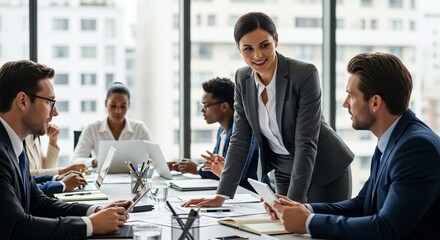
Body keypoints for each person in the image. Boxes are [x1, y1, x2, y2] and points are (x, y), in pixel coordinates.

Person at [182, 12, 353, 208]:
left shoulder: (304, 74)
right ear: (239, 49)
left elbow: (306, 142)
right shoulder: (242, 78)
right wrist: (221, 196)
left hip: (324, 167)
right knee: (284, 232)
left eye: (264, 45)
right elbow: (240, 139)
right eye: (248, 49)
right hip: (283, 168)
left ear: (276, 40)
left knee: (319, 231)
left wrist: (294, 203)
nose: (257, 55)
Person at [265, 52, 440, 239]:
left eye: (351, 96)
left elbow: (387, 228)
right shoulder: (394, 138)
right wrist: (303, 209)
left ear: (375, 103)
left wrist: (308, 223)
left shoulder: (415, 148)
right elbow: (362, 204)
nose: (345, 104)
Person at [0, 60, 130, 238]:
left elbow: (38, 203)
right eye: (50, 102)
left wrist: (95, 210)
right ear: (22, 101)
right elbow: (16, 227)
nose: (55, 112)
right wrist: (90, 225)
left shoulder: (15, 146)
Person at [167, 77, 260, 191]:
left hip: (247, 194)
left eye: (206, 105)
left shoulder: (242, 132)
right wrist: (185, 166)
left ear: (224, 106)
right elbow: (216, 164)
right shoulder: (221, 130)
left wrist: (197, 168)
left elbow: (233, 172)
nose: (202, 110)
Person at [72, 82, 153, 167]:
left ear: (129, 105)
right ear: (106, 104)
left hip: (133, 178)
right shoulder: (92, 128)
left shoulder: (139, 128)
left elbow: (154, 159)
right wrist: (95, 162)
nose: (118, 111)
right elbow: (75, 161)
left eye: (123, 106)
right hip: (102, 178)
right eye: (113, 106)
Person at [25, 124, 89, 195]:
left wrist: (53, 141)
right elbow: (26, 175)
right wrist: (62, 174)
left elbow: (47, 168)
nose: (55, 113)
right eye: (49, 111)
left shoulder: (33, 135)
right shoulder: (21, 137)